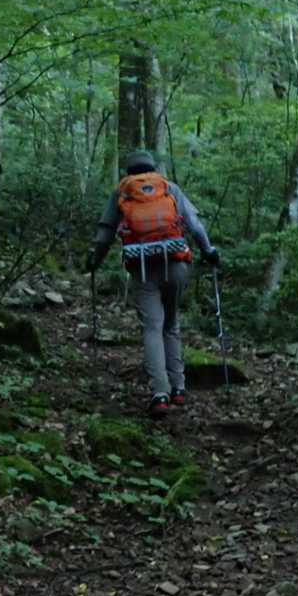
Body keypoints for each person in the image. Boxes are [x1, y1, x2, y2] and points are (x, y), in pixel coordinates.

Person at [85, 150, 219, 419]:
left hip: (143, 268)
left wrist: (94, 262)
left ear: (128, 170)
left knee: (152, 327)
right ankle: (178, 387)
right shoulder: (169, 188)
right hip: (176, 264)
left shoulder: (122, 192)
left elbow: (104, 235)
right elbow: (194, 225)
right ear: (153, 168)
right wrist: (209, 251)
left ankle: (160, 392)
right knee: (171, 324)